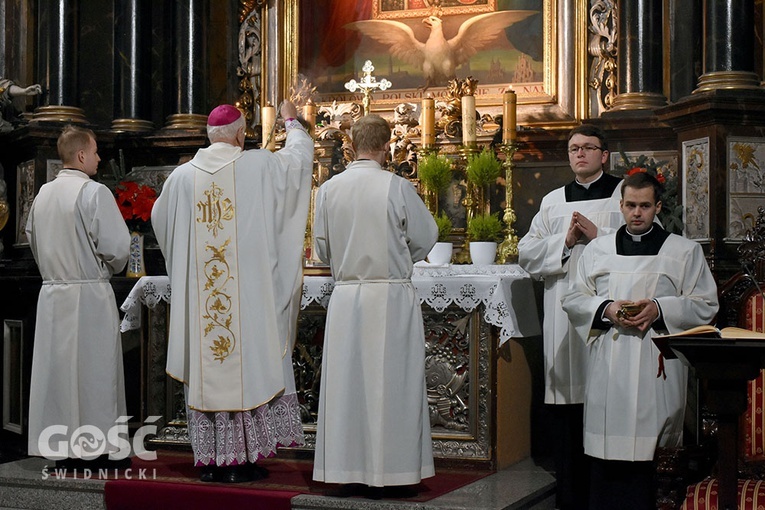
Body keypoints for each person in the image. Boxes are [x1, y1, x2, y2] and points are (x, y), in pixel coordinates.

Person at [151, 101, 313, 483]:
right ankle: (242, 457)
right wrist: (291, 121)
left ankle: (215, 458)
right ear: (240, 134)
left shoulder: (180, 178)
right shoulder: (258, 164)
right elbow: (298, 161)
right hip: (249, 300)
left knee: (212, 362)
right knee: (251, 363)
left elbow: (161, 222)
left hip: (205, 305)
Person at [561, 172, 719, 510]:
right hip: (611, 360)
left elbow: (706, 304)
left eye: (645, 206)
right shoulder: (598, 250)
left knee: (653, 455)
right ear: (621, 205)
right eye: (631, 205)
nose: (637, 213)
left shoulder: (683, 251)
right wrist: (607, 308)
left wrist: (659, 309)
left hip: (655, 362)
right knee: (608, 456)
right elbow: (573, 298)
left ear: (657, 206)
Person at [312, 114, 437, 499]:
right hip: (390, 295)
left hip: (348, 296)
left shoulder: (329, 189)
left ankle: (347, 470)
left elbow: (321, 249)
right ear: (387, 146)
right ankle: (393, 473)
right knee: (392, 385)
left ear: (350, 145)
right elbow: (425, 237)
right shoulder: (396, 186)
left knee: (348, 386)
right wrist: (399, 257)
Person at [517, 124, 624, 509]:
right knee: (568, 406)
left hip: (611, 314)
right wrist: (564, 241)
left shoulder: (624, 196)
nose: (580, 154)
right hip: (563, 313)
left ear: (604, 154)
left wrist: (599, 235)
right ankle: (570, 496)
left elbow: (649, 245)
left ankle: (606, 494)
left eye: (588, 147)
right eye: (574, 148)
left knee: (607, 399)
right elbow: (526, 254)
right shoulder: (552, 201)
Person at [26, 125, 131, 469]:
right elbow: (117, 248)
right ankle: (97, 451)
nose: (100, 158)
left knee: (58, 376)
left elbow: (33, 240)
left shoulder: (41, 195)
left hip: (54, 294)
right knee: (95, 375)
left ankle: (62, 451)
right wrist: (104, 267)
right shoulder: (93, 192)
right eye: (96, 151)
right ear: (81, 155)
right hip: (89, 295)